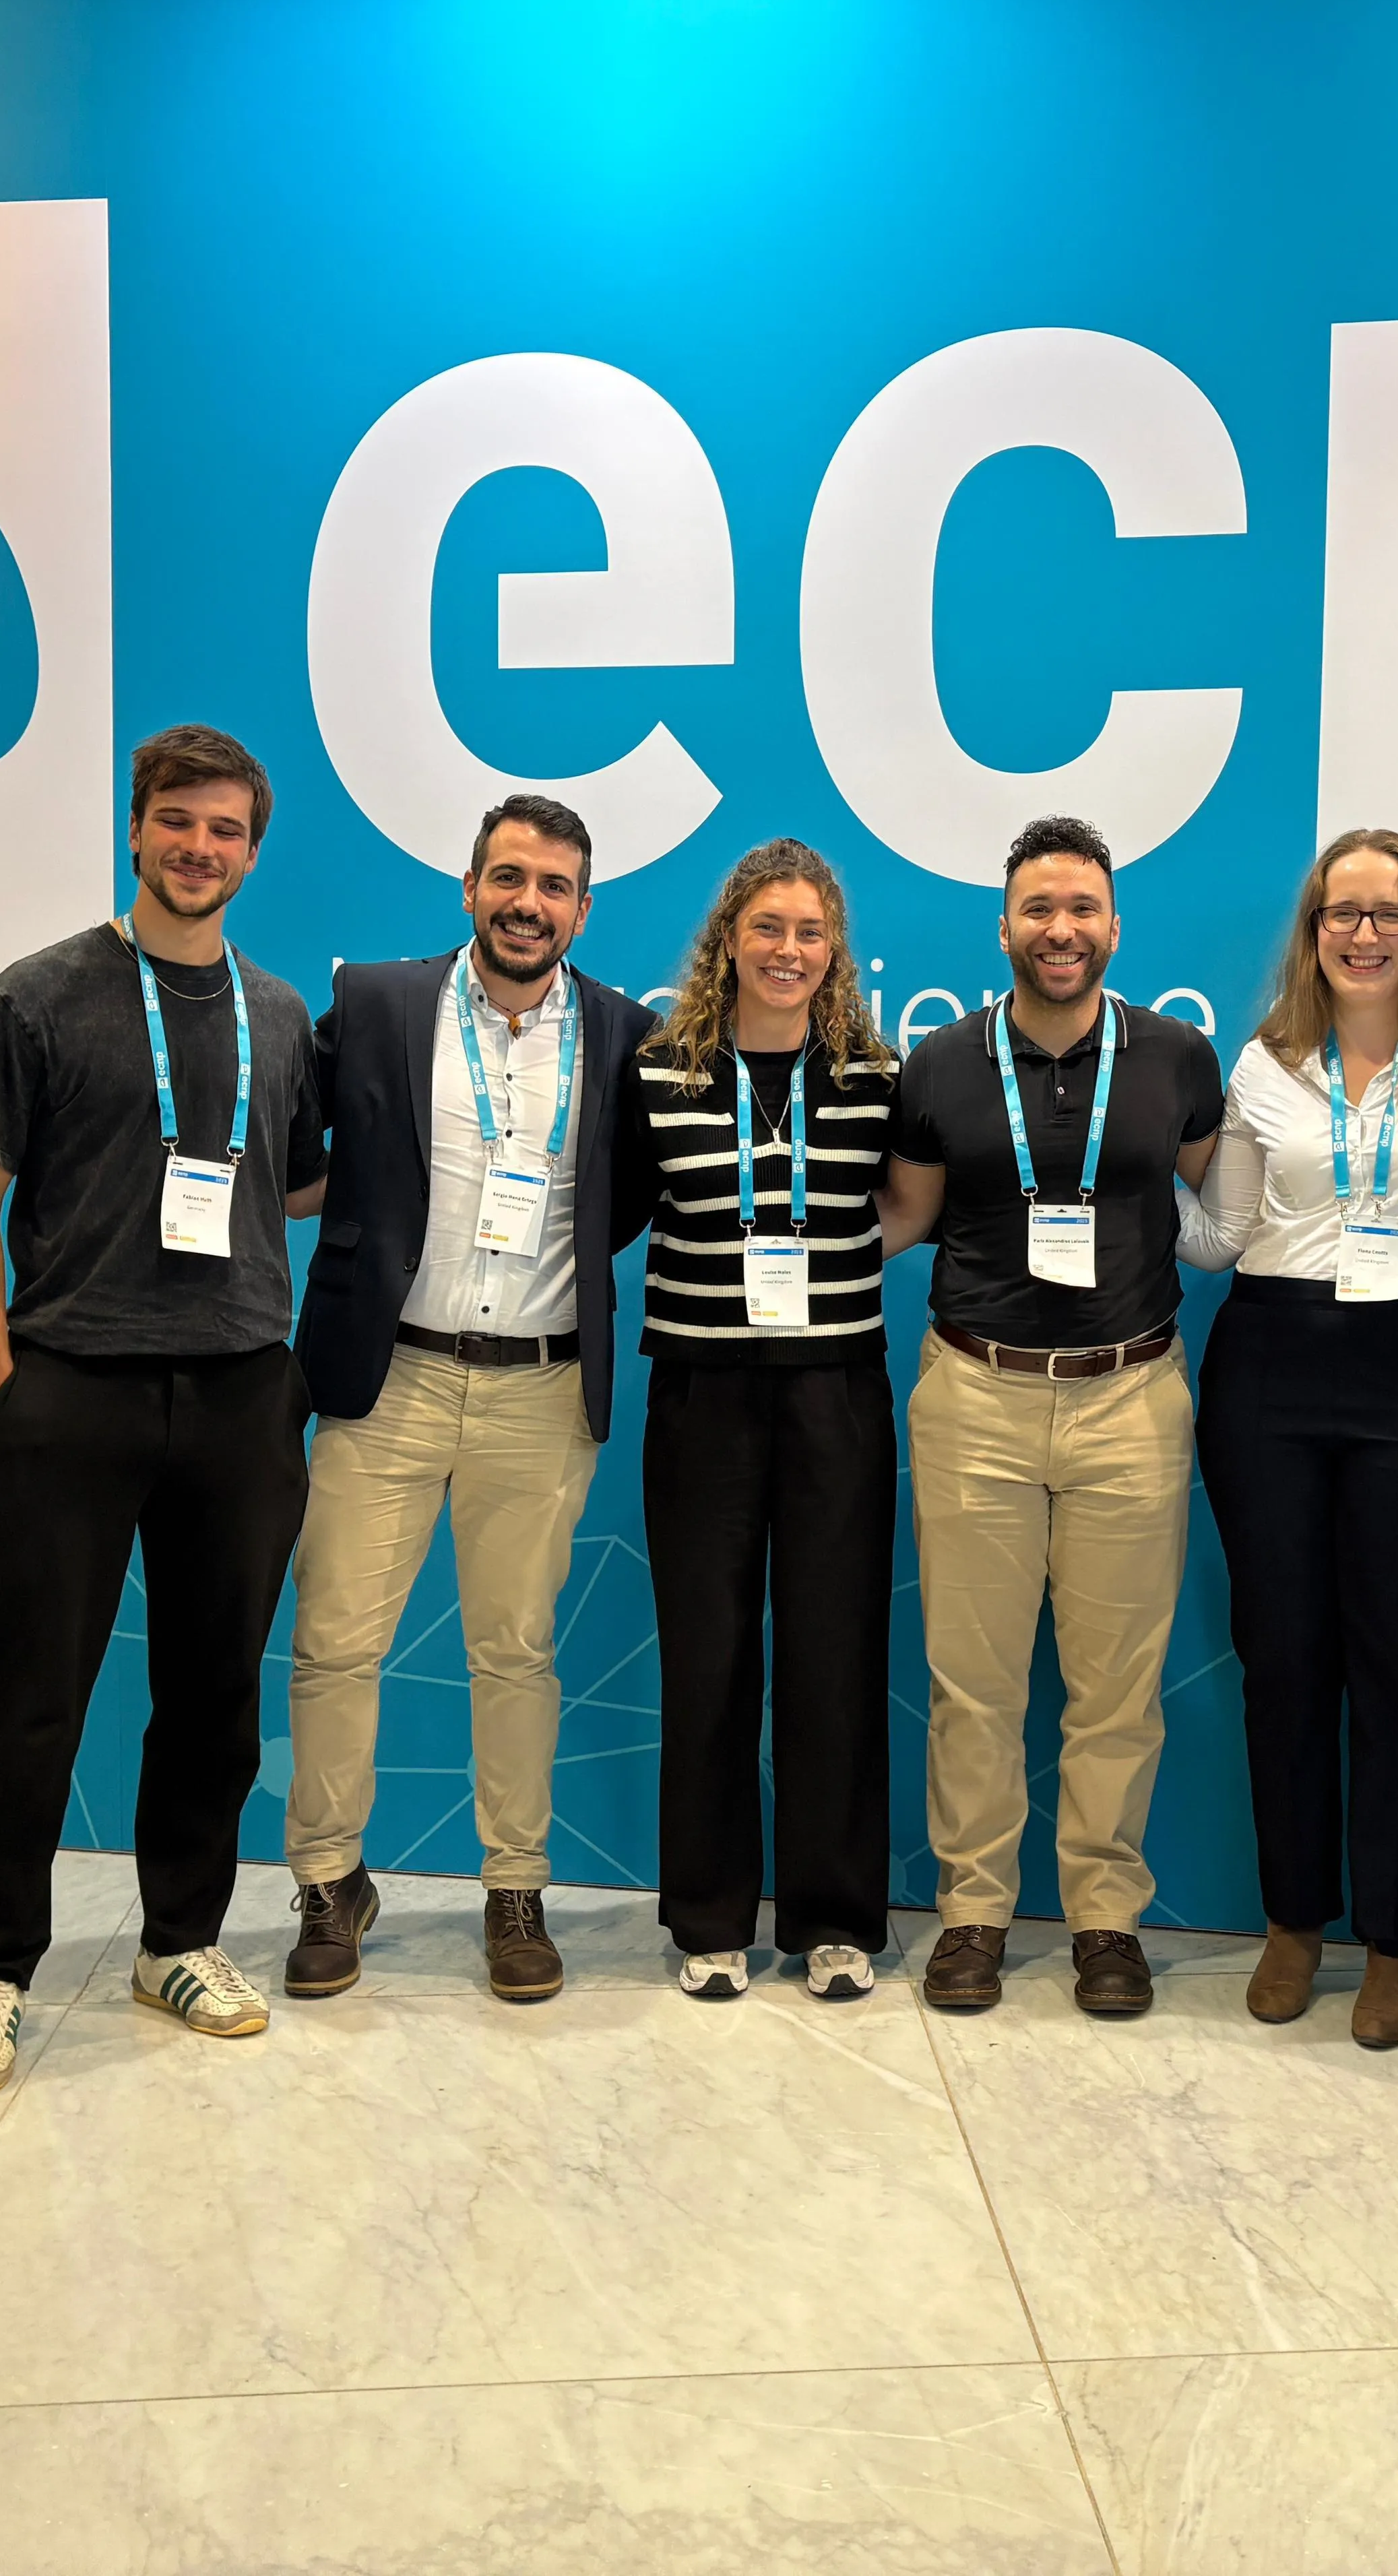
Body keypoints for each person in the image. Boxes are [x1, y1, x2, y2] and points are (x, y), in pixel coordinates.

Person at [0, 725, 327, 2096]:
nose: (198, 849)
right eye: (177, 822)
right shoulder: (35, 999)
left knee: (212, 1700)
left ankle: (179, 1942)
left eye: (223, 830)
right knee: (29, 1700)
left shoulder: (279, 1018)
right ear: (135, 826)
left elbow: (297, 1177)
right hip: (70, 1395)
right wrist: (5, 1388)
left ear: (253, 852)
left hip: (237, 1397)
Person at [282, 794, 658, 2005]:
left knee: (517, 1652)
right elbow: (305, 1160)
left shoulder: (628, 1035)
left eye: (553, 887)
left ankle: (515, 1889)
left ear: (583, 909)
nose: (527, 904)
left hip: (537, 1393)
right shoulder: (379, 1001)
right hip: (387, 1377)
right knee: (338, 1642)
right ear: (469, 886)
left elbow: (628, 1202)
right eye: (508, 878)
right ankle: (329, 1882)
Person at [1180, 829, 1398, 2048]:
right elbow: (1219, 1237)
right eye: (1344, 912)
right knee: (1283, 1657)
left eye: (1390, 913)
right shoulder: (1266, 1064)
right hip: (1272, 1364)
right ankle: (1295, 1921)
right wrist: (1101, 1169)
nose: (1365, 933)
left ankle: (1397, 1940)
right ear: (1314, 928)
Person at [879, 814, 1224, 2017]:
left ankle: (1105, 1921)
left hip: (1131, 1398)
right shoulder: (940, 1064)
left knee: (1115, 1688)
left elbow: (1250, 1197)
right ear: (1005, 925)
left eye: (1081, 909)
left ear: (1114, 926)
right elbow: (904, 1220)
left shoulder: (1180, 1059)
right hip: (974, 1395)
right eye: (1039, 909)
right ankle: (973, 1909)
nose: (1060, 930)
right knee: (972, 1682)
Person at [621, 839, 902, 2003]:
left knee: (836, 1656)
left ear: (833, 952)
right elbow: (623, 1214)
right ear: (728, 938)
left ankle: (834, 1920)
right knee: (710, 1657)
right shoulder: (659, 1072)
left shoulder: (873, 1076)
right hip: (701, 1394)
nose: (789, 951)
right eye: (768, 928)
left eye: (810, 933)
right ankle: (708, 1922)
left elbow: (903, 1209)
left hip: (837, 1391)